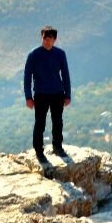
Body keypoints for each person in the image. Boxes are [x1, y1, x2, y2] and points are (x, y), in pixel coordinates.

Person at [24, 25, 72, 163]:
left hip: (57, 93)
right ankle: (39, 151)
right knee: (40, 123)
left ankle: (58, 147)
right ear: (42, 37)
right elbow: (27, 77)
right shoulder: (33, 55)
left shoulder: (60, 54)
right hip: (40, 94)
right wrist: (28, 97)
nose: (46, 41)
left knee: (58, 122)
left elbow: (66, 75)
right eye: (44, 38)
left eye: (49, 38)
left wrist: (67, 94)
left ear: (54, 39)